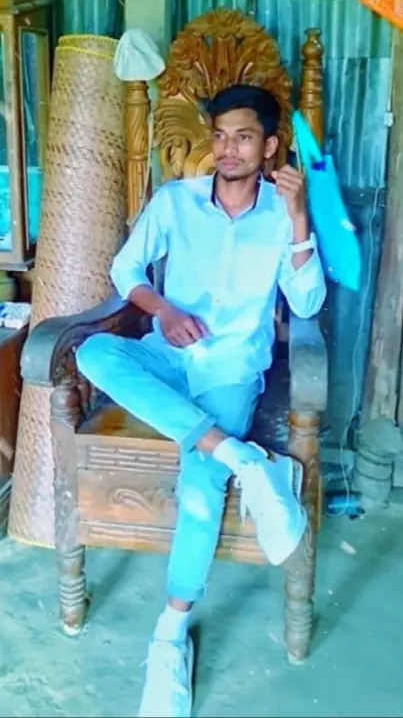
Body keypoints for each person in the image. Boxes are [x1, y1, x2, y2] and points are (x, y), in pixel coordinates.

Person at [76, 84, 326, 718]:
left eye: (243, 137)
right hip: (167, 357)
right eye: (219, 136)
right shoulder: (175, 202)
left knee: (198, 484)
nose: (227, 149)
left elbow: (307, 305)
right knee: (92, 354)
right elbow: (125, 272)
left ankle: (170, 631)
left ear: (270, 147)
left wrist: (299, 221)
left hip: (230, 373)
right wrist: (165, 308)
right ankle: (245, 458)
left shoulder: (281, 213)